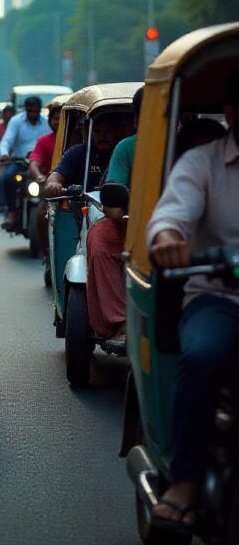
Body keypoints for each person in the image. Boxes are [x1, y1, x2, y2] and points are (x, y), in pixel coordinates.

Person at [146, 70, 239, 534]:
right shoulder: (201, 163)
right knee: (203, 356)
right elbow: (172, 212)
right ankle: (184, 480)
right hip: (218, 296)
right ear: (231, 112)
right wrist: (167, 238)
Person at [85, 87, 144, 346]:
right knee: (99, 239)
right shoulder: (127, 147)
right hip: (135, 222)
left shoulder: (188, 145)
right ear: (137, 121)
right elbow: (112, 193)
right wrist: (118, 212)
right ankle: (121, 320)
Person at [0, 96, 48, 229]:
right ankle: (12, 211)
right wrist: (4, 154)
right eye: (30, 111)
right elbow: (7, 140)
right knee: (8, 179)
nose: (33, 114)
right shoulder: (16, 121)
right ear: (25, 109)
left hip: (41, 163)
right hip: (20, 162)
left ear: (39, 110)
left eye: (35, 111)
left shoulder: (47, 122)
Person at [28, 100, 63, 256]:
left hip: (77, 190)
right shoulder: (44, 141)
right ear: (49, 121)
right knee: (42, 212)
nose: (58, 122)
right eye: (55, 118)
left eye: (62, 118)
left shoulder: (78, 139)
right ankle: (46, 253)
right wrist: (40, 177)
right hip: (52, 189)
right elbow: (34, 163)